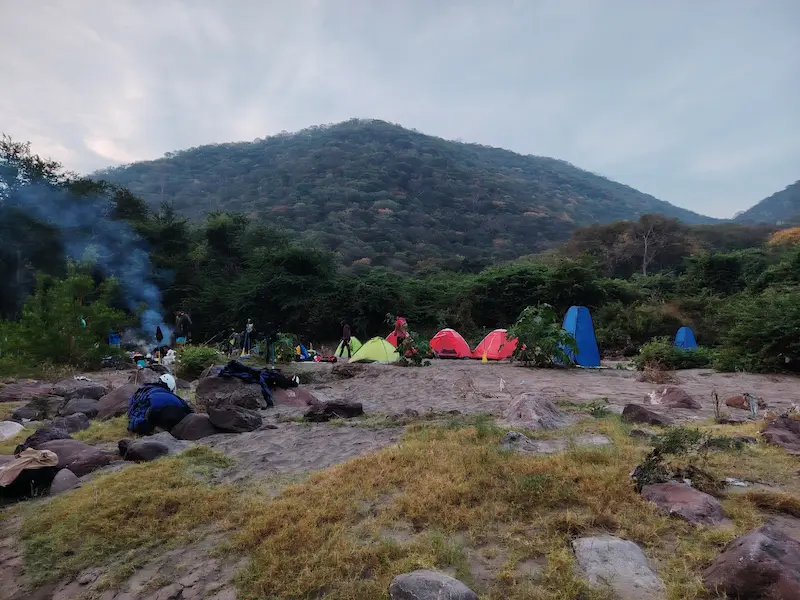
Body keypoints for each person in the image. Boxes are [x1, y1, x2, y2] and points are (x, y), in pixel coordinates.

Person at [127, 373, 193, 435]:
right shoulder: (174, 397)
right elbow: (188, 409)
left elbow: (133, 407)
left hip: (150, 417)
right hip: (174, 415)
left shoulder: (145, 390)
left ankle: (154, 429)